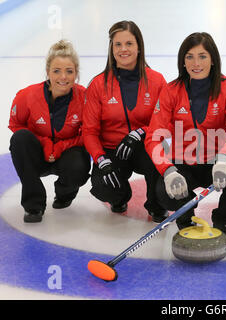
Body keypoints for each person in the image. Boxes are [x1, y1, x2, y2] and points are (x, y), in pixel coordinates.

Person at [145, 32, 226, 246]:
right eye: (189, 57)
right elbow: (153, 138)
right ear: (182, 62)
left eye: (202, 56)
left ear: (213, 59)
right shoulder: (171, 90)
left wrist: (224, 159)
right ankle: (186, 220)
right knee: (163, 193)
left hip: (216, 162)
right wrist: (168, 171)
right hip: (184, 163)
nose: (196, 63)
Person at [83, 21, 168, 222]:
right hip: (112, 150)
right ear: (111, 49)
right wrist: (101, 160)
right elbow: (89, 131)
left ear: (139, 47)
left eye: (129, 43)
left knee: (157, 158)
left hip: (145, 145)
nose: (123, 49)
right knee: (105, 186)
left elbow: (165, 122)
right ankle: (119, 197)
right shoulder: (97, 85)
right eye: (118, 45)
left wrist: (141, 133)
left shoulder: (156, 81)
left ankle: (156, 204)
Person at [8, 40, 91, 223]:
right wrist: (44, 143)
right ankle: (34, 205)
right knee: (20, 139)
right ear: (47, 72)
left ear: (76, 73)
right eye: (56, 71)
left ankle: (64, 194)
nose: (63, 77)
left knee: (80, 163)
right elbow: (15, 124)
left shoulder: (85, 98)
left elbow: (88, 133)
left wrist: (61, 146)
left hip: (67, 156)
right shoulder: (26, 96)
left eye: (69, 71)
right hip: (39, 155)